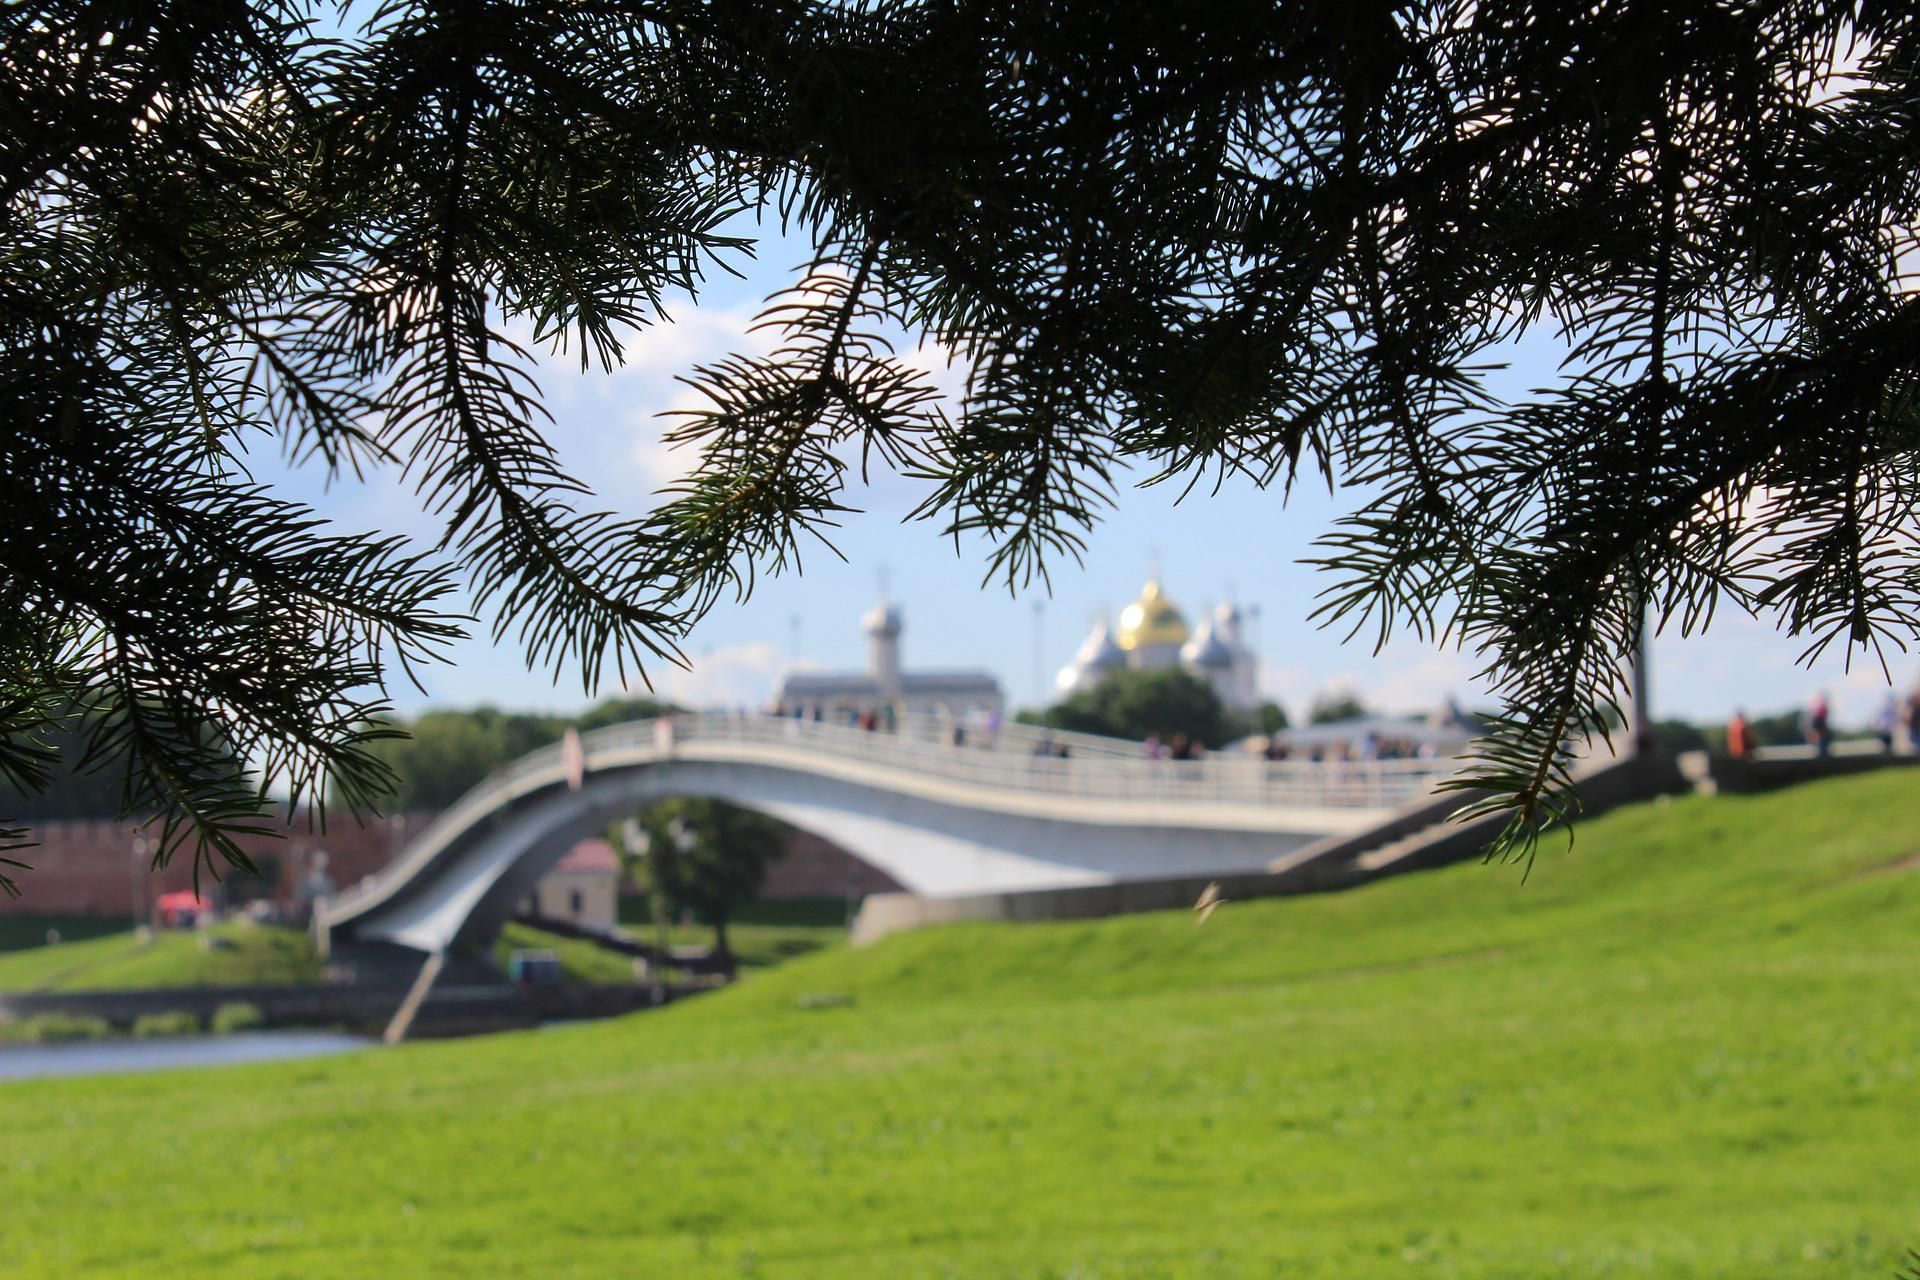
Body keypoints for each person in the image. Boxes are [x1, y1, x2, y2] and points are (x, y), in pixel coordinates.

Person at [1804, 691, 1831, 758]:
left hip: (1816, 724)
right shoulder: (1820, 707)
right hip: (1816, 723)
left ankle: (1820, 752)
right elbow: (1817, 724)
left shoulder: (1820, 707)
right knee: (1820, 742)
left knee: (1821, 741)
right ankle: (1820, 753)